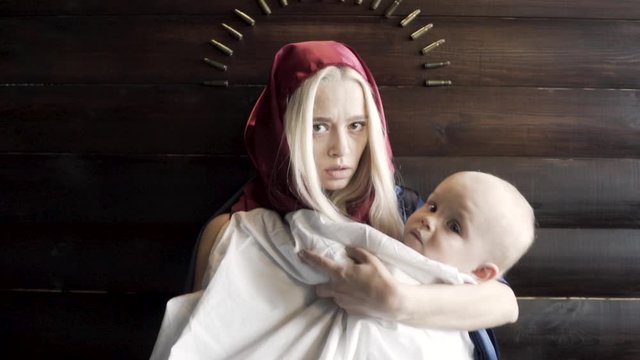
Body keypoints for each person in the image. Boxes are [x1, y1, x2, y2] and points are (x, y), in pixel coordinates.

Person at [153, 40, 518, 359]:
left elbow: (501, 302)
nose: (341, 150)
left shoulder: (404, 211)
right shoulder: (236, 227)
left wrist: (394, 301)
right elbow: (205, 341)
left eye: (356, 126)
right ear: (283, 130)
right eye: (318, 127)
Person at [300, 171, 535, 325]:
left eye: (453, 227)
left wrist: (395, 300)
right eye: (432, 207)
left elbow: (505, 302)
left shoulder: (400, 206)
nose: (428, 219)